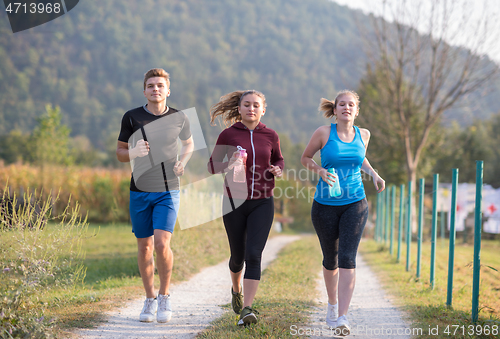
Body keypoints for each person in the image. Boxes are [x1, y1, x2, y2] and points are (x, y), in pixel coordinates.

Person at [300, 90, 385, 335]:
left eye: (351, 105)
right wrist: (319, 170)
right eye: (342, 105)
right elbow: (305, 158)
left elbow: (361, 159)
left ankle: (343, 317)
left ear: (357, 111)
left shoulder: (364, 134)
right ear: (335, 110)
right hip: (324, 205)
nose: (347, 108)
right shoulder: (323, 133)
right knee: (331, 259)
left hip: (355, 204)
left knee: (348, 258)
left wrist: (375, 174)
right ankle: (332, 303)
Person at [116, 68, 194, 323]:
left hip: (168, 188)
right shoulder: (131, 117)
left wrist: (183, 162)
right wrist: (134, 152)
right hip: (139, 190)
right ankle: (149, 299)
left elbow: (189, 143)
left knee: (161, 243)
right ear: (144, 91)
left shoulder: (180, 117)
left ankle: (165, 296)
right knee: (145, 246)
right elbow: (119, 152)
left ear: (168, 90)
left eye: (160, 85)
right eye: (151, 86)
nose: (156, 89)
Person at [207, 90, 284, 326]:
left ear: (263, 109)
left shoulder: (271, 135)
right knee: (237, 257)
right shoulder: (228, 135)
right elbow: (212, 166)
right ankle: (236, 289)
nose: (251, 108)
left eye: (256, 105)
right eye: (247, 105)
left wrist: (277, 169)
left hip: (262, 201)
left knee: (254, 255)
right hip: (234, 201)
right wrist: (229, 162)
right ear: (239, 109)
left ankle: (248, 308)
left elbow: (278, 159)